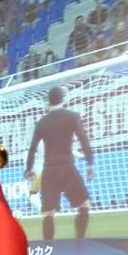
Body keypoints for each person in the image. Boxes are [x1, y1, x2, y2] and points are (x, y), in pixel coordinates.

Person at [25, 86, 95, 240]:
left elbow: (32, 148)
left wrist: (28, 169)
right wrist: (90, 163)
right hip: (67, 167)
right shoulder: (72, 117)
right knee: (84, 205)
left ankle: (49, 249)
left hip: (50, 170)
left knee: (48, 213)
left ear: (48, 101)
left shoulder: (41, 123)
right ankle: (80, 242)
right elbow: (83, 139)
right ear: (63, 98)